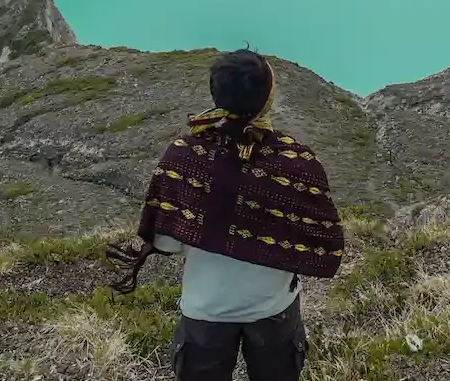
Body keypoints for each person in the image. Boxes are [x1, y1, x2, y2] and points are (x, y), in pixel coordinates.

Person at [107, 49, 344, 381]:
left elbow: (167, 239)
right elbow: (317, 236)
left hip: (206, 307)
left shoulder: (185, 156)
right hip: (273, 306)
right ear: (267, 99)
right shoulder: (297, 163)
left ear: (216, 94)